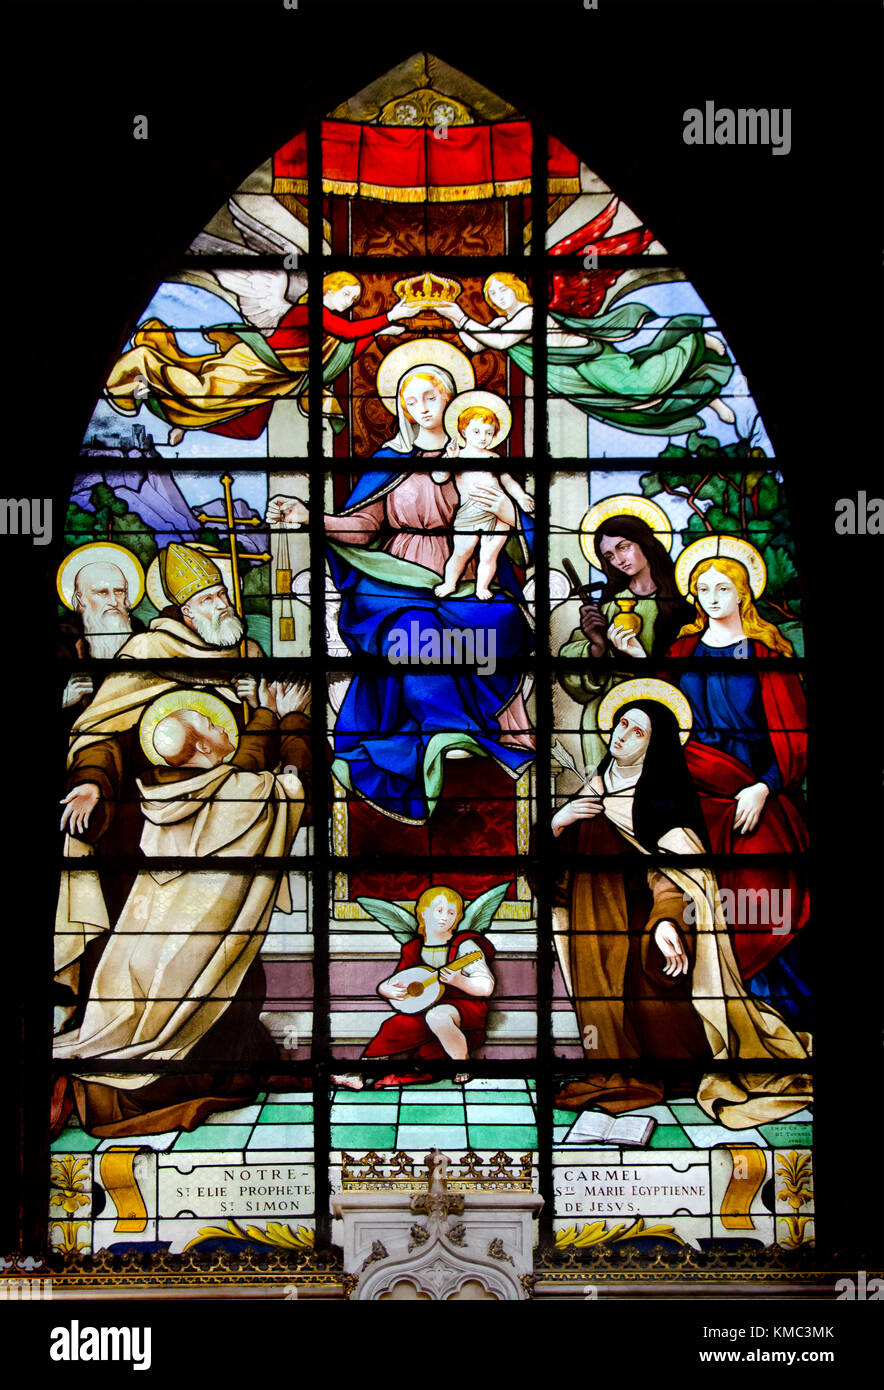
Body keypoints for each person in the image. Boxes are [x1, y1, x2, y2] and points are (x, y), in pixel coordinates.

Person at [265, 352, 535, 823]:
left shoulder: (484, 460)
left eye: (431, 396)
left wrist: (512, 516)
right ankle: (446, 729)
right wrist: (312, 518)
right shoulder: (389, 462)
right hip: (395, 579)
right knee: (415, 629)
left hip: (469, 581)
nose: (421, 407)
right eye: (410, 400)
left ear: (453, 402)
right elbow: (363, 527)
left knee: (500, 622)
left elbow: (526, 532)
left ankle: (471, 728)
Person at [53, 679, 312, 1137]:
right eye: (212, 724)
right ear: (203, 752)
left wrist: (264, 714)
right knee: (196, 1023)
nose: (221, 722)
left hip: (139, 958)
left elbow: (244, 765)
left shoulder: (162, 792)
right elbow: (295, 788)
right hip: (191, 959)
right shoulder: (237, 791)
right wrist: (290, 718)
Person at [550, 681, 811, 1128]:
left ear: (655, 746)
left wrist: (667, 922)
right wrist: (558, 823)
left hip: (644, 928)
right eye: (621, 724)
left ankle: (658, 1071)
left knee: (657, 996)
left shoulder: (662, 799)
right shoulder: (594, 789)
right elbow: (553, 878)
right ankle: (615, 1069)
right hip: (594, 923)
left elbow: (682, 879)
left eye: (637, 732)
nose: (621, 736)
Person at [55, 544, 271, 1021]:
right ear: (186, 610)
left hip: (228, 819)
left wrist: (257, 704)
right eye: (211, 598)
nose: (223, 605)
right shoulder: (148, 651)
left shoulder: (246, 651)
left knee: (222, 935)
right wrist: (91, 781)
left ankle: (222, 1044)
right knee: (141, 933)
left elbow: (261, 736)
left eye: (223, 595)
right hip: (143, 822)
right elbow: (102, 730)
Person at [665, 541, 810, 993]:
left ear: (743, 593)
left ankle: (780, 1017)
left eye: (723, 588)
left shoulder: (767, 653)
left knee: (762, 892)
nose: (712, 597)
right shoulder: (679, 651)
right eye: (702, 588)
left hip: (754, 783)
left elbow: (796, 735)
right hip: (694, 786)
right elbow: (662, 712)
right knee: (699, 897)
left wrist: (765, 788)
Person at [105, 272, 419, 444]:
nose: (348, 303)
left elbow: (342, 351)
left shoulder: (327, 329)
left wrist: (378, 333)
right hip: (256, 363)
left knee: (249, 430)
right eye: (347, 295)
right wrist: (388, 316)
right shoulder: (309, 310)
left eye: (353, 300)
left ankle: (184, 421)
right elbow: (346, 332)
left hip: (275, 380)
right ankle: (144, 362)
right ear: (329, 289)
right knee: (201, 394)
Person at [435, 272, 736, 434]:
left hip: (591, 360)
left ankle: (693, 341)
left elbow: (499, 343)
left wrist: (460, 315)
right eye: (493, 294)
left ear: (517, 288)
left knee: (642, 385)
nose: (499, 295)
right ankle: (705, 397)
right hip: (574, 375)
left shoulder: (529, 313)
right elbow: (476, 344)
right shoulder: (502, 322)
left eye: (503, 288)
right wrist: (451, 316)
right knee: (633, 406)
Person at [557, 504, 695, 772]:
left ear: (645, 543)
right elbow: (568, 671)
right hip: (608, 714)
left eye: (623, 547)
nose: (618, 559)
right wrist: (595, 645)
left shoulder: (683, 606)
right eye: (609, 555)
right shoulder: (607, 607)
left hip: (663, 711)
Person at [362, 886, 496, 1075]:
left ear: (457, 917)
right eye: (438, 911)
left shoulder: (465, 946)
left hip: (464, 1007)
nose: (444, 917)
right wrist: (386, 990)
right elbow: (399, 980)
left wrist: (460, 981)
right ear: (423, 913)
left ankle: (463, 1065)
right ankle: (360, 1072)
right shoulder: (414, 948)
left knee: (438, 1016)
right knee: (393, 1026)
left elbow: (486, 986)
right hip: (422, 1007)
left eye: (451, 912)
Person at [432, 399, 535, 601]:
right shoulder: (457, 456)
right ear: (463, 431)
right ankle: (449, 583)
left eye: (489, 433)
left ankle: (482, 587)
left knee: (489, 555)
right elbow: (438, 477)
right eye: (477, 432)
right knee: (461, 552)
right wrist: (449, 458)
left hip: (498, 515)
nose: (484, 438)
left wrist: (521, 496)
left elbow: (507, 480)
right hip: (469, 513)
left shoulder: (494, 459)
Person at [56, 544, 147, 709]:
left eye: (119, 591)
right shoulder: (62, 634)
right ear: (80, 597)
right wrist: (65, 699)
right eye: (102, 593)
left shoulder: (139, 631)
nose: (113, 601)